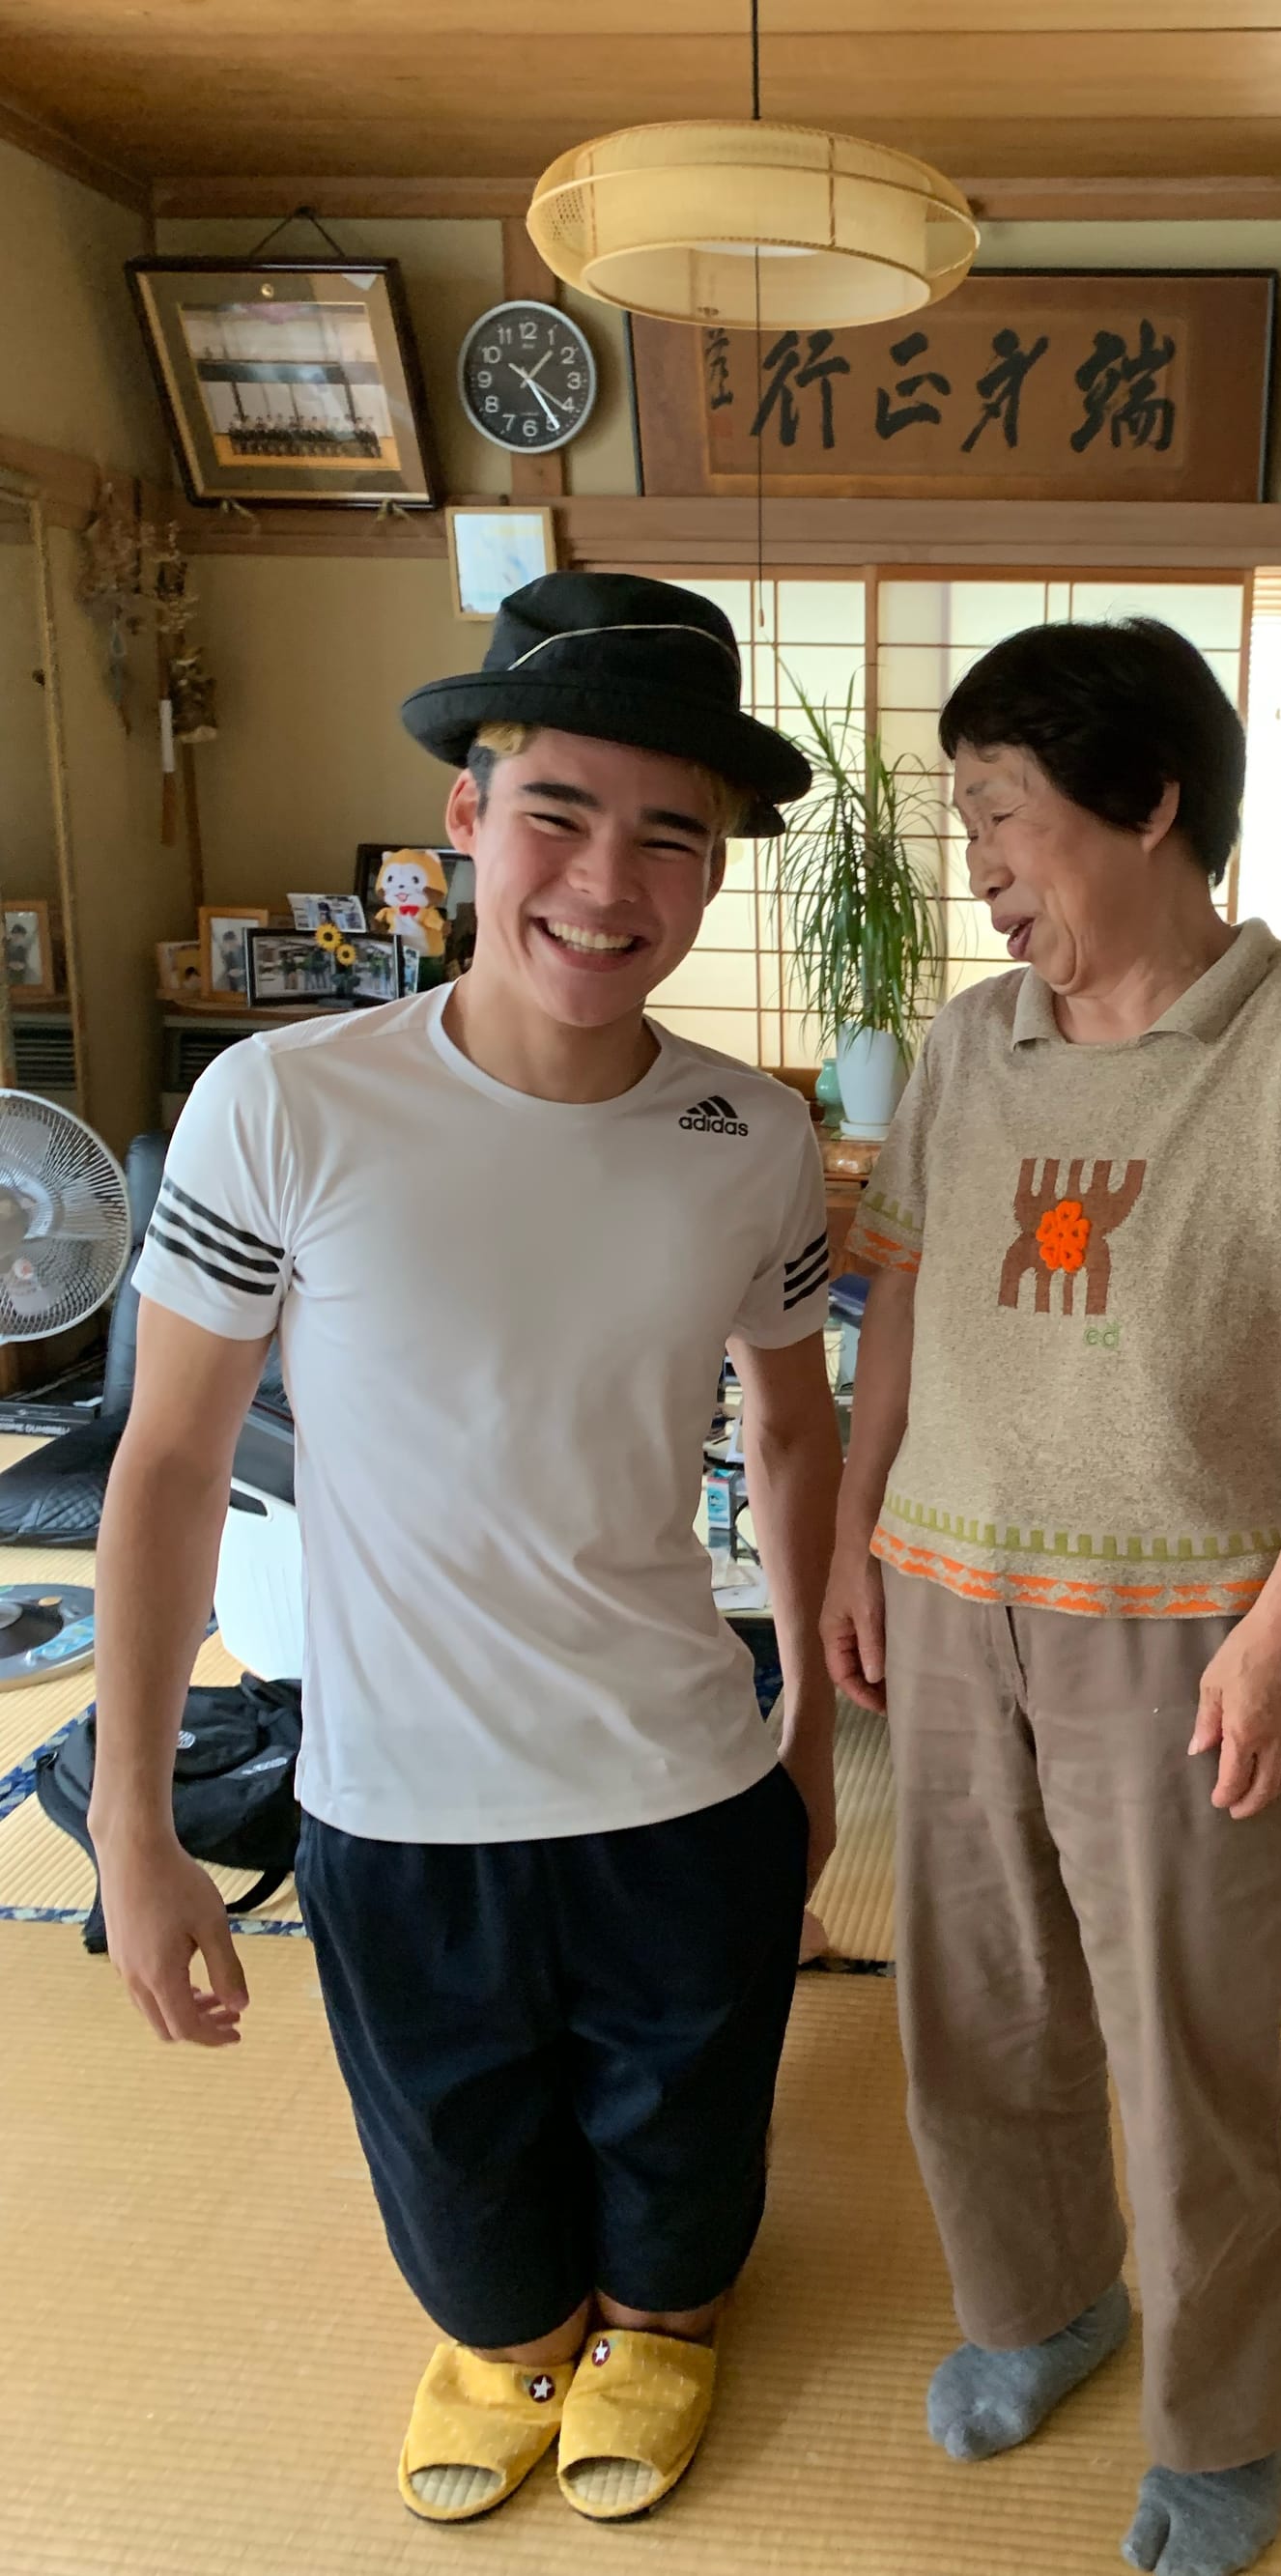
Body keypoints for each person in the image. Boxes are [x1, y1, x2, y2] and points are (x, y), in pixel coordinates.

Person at [91, 574, 843, 2529]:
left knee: (682, 2176)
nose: (609, 880)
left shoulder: (750, 1133)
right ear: (463, 817)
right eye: (559, 815)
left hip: (682, 1767)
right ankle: (514, 2332)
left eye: (671, 833)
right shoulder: (287, 1101)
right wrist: (135, 1822)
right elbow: (166, 1461)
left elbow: (794, 1420)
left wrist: (819, 1739)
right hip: (398, 1792)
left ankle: (658, 2326)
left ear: (715, 869)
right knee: (463, 2180)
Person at [823, 618, 1281, 2576]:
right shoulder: (961, 1041)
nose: (983, 863)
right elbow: (907, 1299)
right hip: (943, 1596)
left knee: (1189, 2042)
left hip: (1190, 1623)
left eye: (1003, 812)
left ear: (1152, 797)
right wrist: (849, 1532)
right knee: (975, 2005)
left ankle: (1225, 2406)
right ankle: (1041, 2306)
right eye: (965, 821)